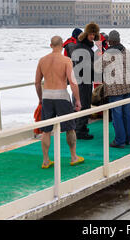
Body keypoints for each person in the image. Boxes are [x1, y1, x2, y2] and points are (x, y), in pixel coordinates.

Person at [35, 36, 84, 167]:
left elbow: (37, 83)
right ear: (62, 46)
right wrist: (78, 100)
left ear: (50, 45)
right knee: (69, 128)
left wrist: (40, 98)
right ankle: (73, 157)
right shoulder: (66, 60)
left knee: (46, 130)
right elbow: (73, 82)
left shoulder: (42, 60)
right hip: (62, 96)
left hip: (47, 96)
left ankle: (45, 160)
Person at [95, 30, 130, 148]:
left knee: (117, 115)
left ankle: (119, 141)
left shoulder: (107, 55)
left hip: (115, 90)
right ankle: (127, 139)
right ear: (119, 40)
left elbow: (97, 69)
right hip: (129, 88)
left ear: (110, 41)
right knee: (127, 114)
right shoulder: (127, 53)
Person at [71, 22, 101, 140]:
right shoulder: (82, 47)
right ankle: (80, 130)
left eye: (94, 34)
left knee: (85, 105)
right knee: (84, 105)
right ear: (86, 34)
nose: (92, 36)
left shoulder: (86, 46)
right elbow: (84, 65)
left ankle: (82, 128)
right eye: (91, 34)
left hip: (85, 79)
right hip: (83, 80)